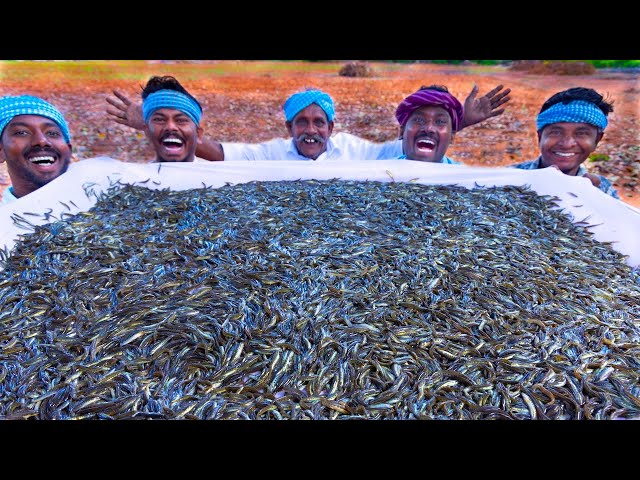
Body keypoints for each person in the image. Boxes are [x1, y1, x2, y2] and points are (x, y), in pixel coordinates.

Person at [106, 83, 510, 162]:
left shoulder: (355, 151)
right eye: (302, 123)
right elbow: (221, 152)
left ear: (332, 128)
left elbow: (413, 145)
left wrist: (460, 123)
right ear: (289, 129)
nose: (311, 130)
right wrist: (157, 127)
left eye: (319, 122)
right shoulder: (272, 153)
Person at [510, 87, 620, 199]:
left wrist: (592, 202)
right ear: (540, 136)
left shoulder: (602, 191)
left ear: (596, 140)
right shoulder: (507, 179)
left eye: (581, 133)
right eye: (556, 132)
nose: (567, 144)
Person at [0, 95, 73, 204]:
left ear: (68, 149)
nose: (42, 141)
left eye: (52, 133)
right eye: (22, 132)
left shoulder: (102, 197)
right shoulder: (5, 219)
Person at [139, 75, 205, 163]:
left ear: (198, 134)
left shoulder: (217, 175)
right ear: (147, 131)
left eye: (181, 120)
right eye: (159, 119)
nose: (170, 127)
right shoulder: (135, 176)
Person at [395, 85, 464, 164]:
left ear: (452, 136)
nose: (429, 128)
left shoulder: (465, 175)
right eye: (419, 120)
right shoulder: (382, 172)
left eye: (440, 121)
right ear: (401, 131)